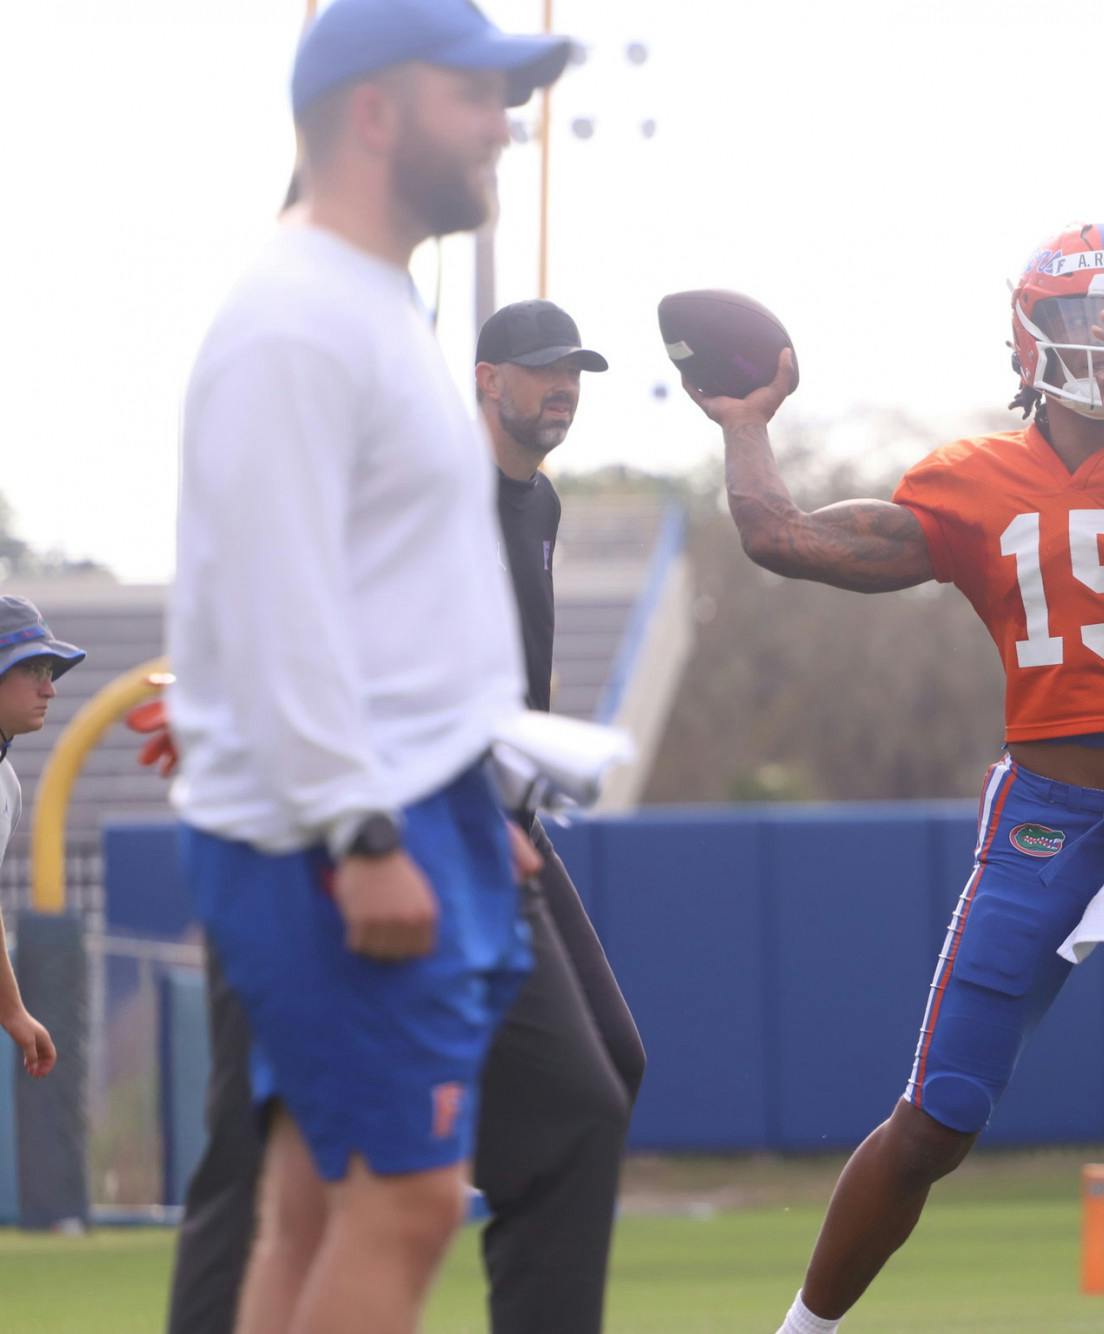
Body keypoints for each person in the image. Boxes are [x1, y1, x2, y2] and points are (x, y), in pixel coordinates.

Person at [684, 223, 1104, 1334]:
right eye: (1084, 318)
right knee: (938, 1116)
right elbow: (781, 537)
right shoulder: (971, 481)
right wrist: (746, 430)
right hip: (1046, 823)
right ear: (1029, 341)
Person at [167, 4, 571, 1332]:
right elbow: (281, 599)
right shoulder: (295, 319)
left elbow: (395, 603)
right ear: (376, 113)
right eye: (476, 96)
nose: (504, 124)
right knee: (400, 1203)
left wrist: (475, 795)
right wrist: (360, 826)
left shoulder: (371, 300)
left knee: (318, 1199)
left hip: (413, 803)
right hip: (336, 831)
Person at [164, 295, 645, 1334]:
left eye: (575, 370)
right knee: (274, 1155)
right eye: (543, 368)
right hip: (390, 805)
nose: (562, 386)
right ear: (485, 380)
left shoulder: (539, 502)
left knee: (602, 1075)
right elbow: (302, 591)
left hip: (492, 805)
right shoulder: (432, 489)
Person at [0, 597, 74, 1080]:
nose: (49, 689)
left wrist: (13, 1008)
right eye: (32, 669)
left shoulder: (6, 781)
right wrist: (12, 1010)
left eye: (51, 671)